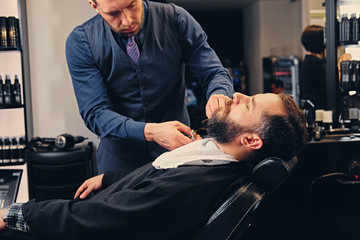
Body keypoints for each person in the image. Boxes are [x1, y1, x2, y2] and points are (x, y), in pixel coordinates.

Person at [0, 92, 308, 240]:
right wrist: (109, 178)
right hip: (98, 211)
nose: (237, 95)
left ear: (252, 141)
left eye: (249, 103)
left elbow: (101, 217)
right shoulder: (212, 159)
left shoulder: (197, 183)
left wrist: (16, 213)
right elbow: (159, 174)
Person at [65, 0, 234, 174]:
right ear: (95, 6)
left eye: (132, 5)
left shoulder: (176, 19)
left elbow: (214, 73)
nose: (128, 21)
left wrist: (218, 94)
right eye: (114, 13)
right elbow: (95, 113)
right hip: (119, 162)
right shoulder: (81, 42)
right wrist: (151, 132)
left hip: (178, 153)